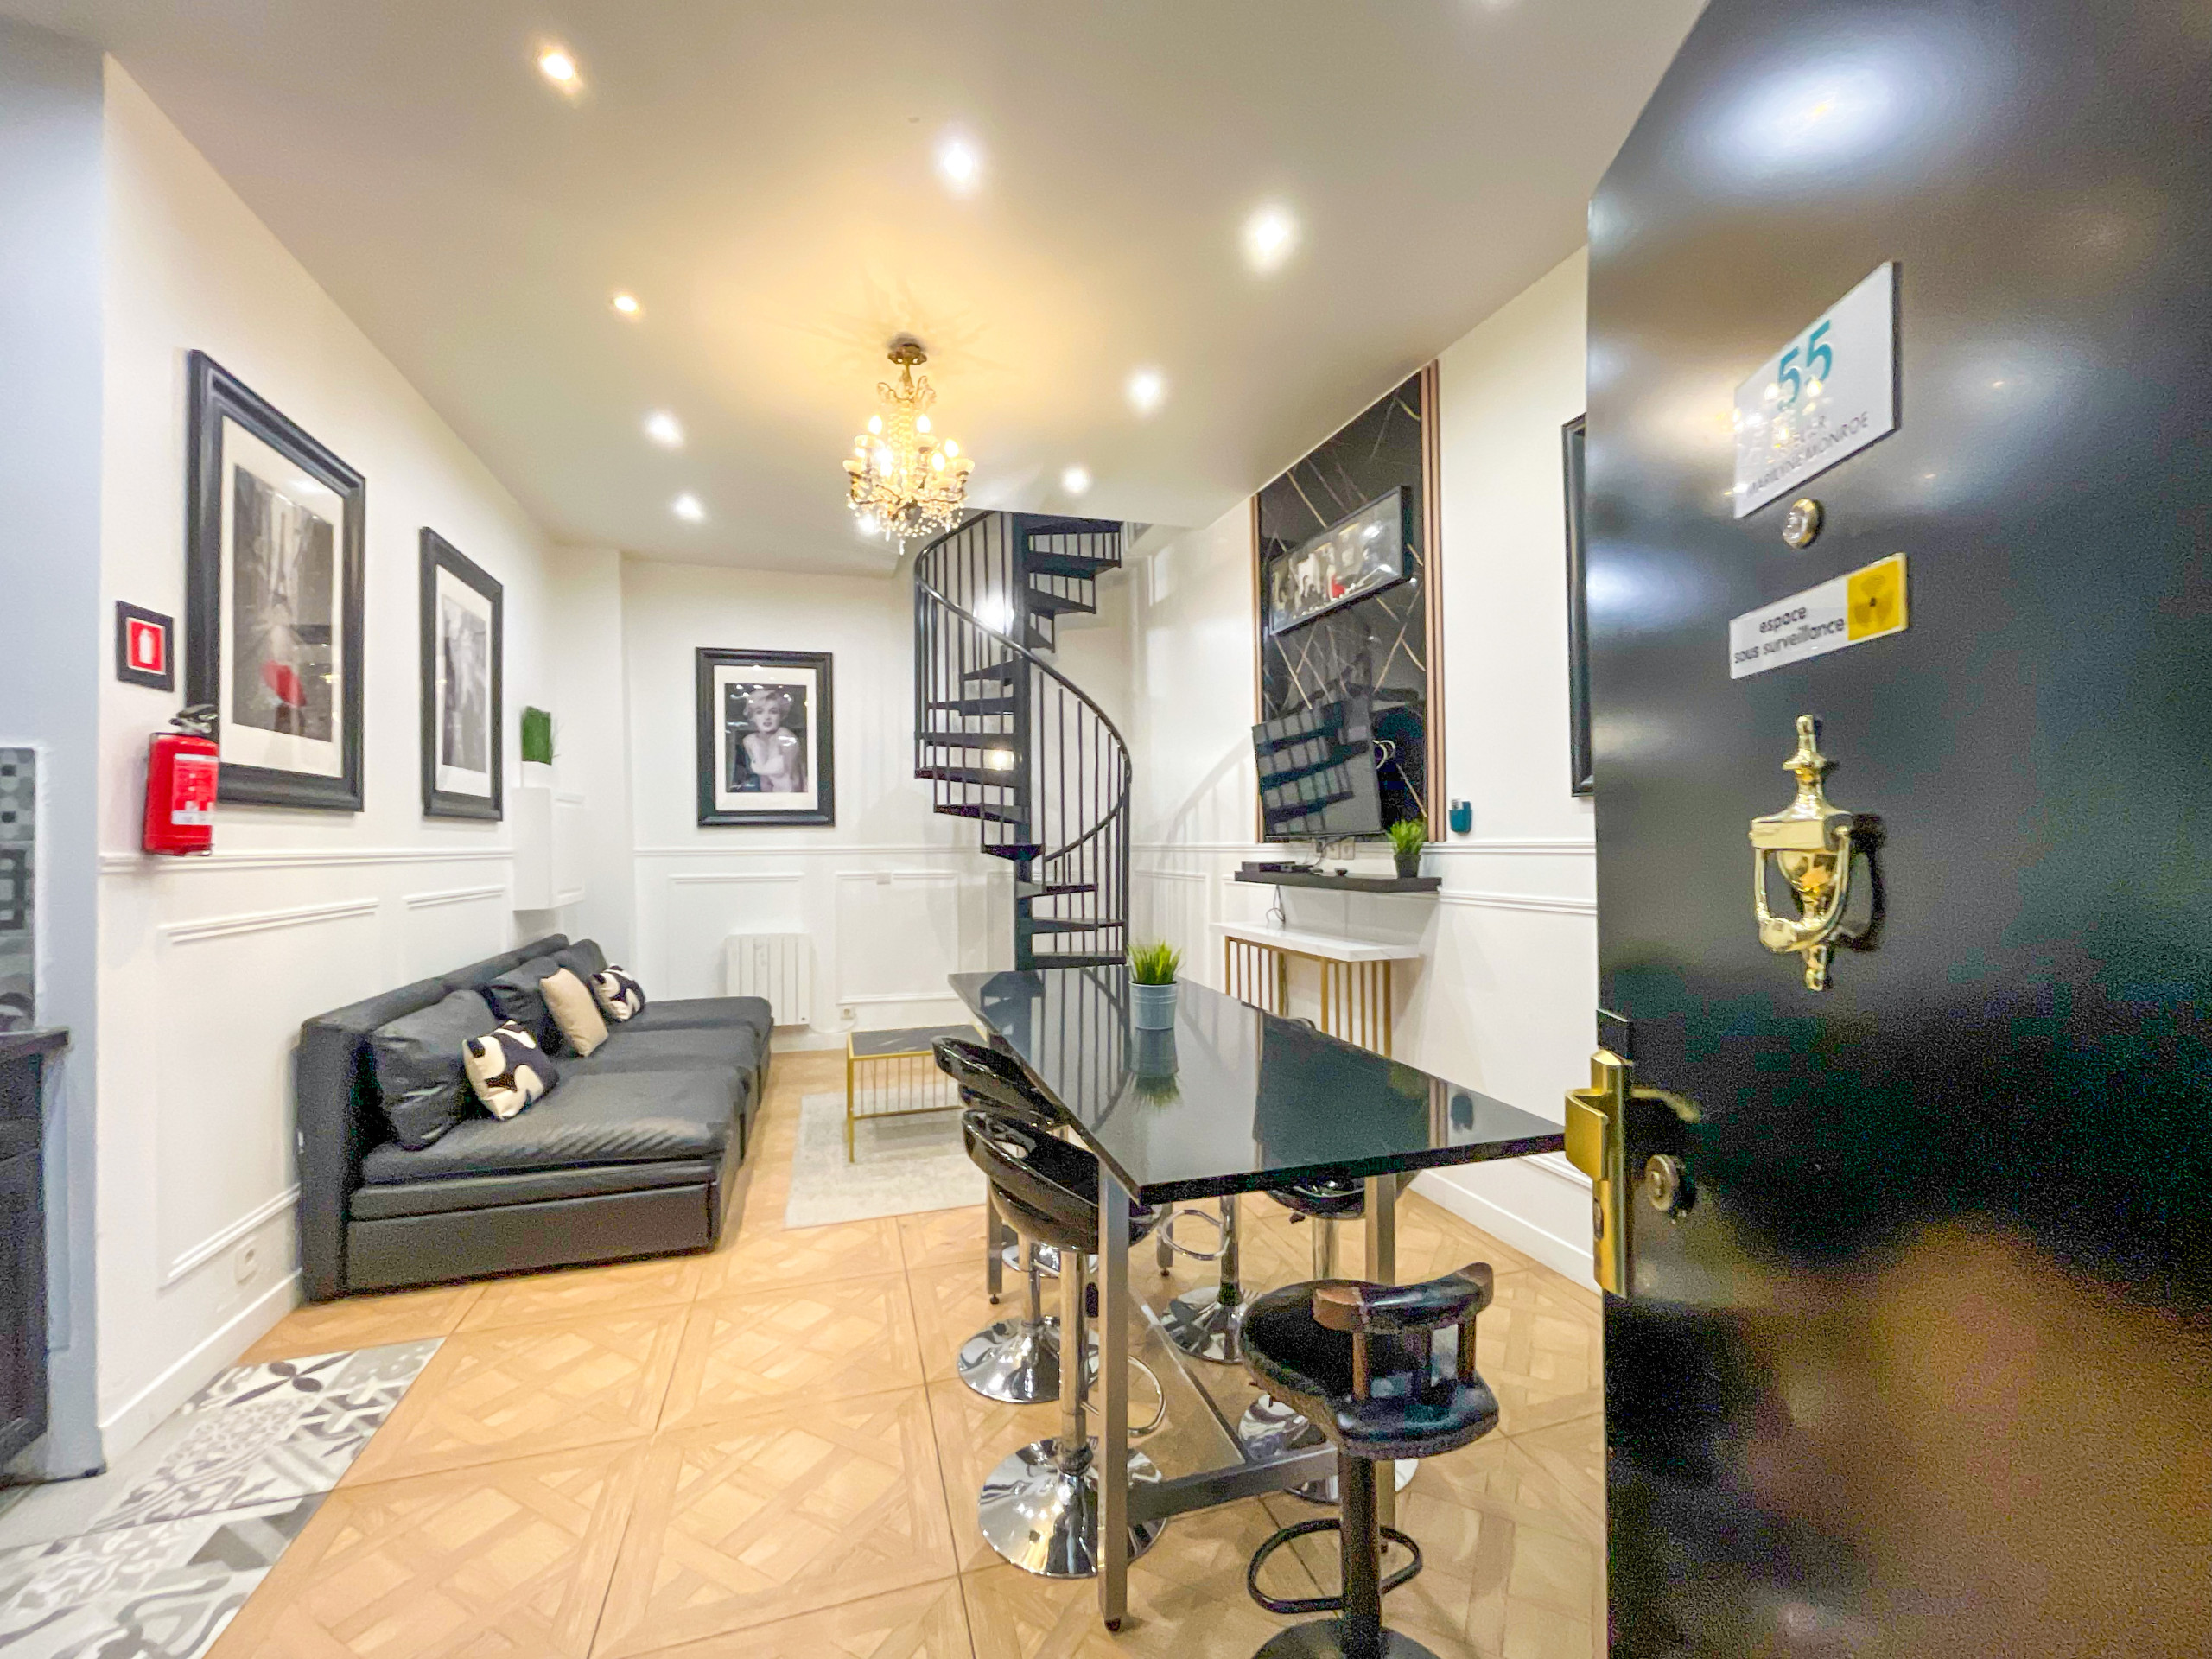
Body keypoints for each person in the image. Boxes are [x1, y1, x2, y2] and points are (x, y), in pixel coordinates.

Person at [741, 687, 804, 793]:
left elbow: (796, 780)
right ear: (752, 717)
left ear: (781, 716)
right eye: (759, 712)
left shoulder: (786, 738)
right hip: (770, 798)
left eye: (773, 712)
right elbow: (765, 780)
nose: (767, 717)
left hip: (791, 796)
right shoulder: (750, 741)